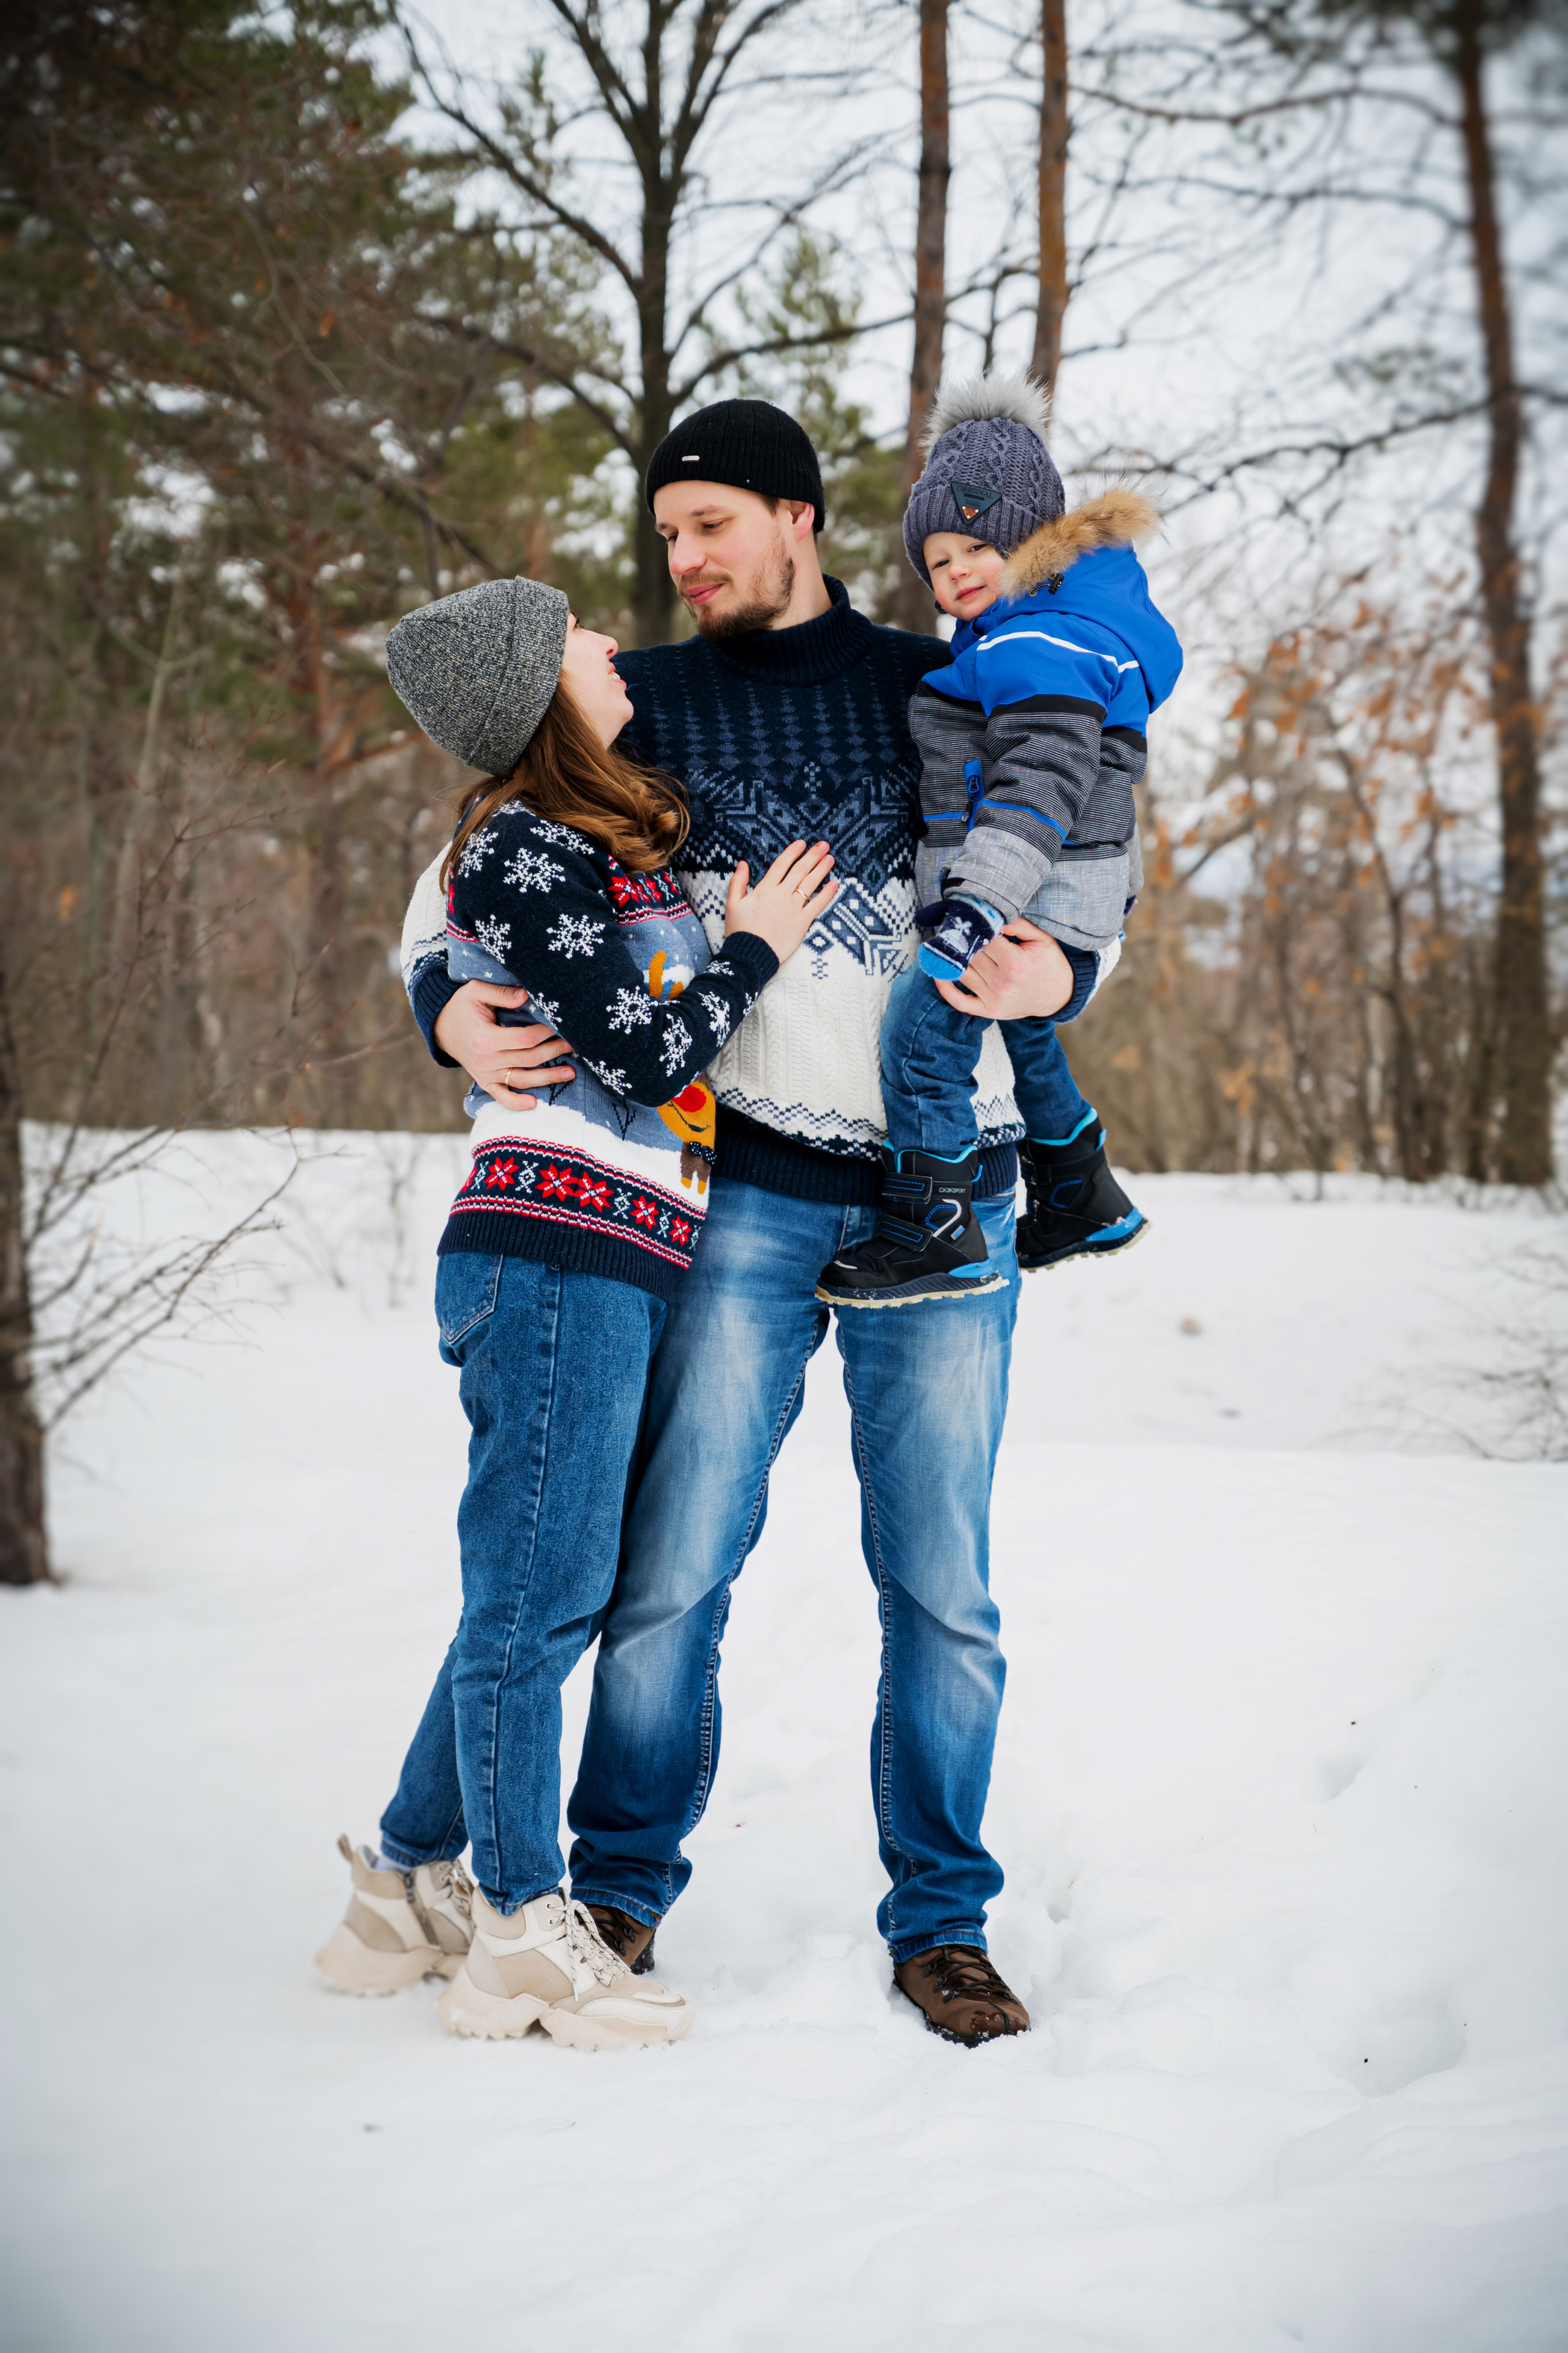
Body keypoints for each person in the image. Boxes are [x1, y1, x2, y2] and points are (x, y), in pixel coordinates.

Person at [407, 399, 1083, 2048]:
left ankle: (944, 1921)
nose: (682, 561)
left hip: (950, 1184)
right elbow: (457, 887)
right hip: (749, 1186)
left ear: (798, 516)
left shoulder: (945, 683)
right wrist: (446, 1007)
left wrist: (1071, 970)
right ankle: (620, 1881)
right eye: (665, 538)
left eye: (709, 525)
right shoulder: (640, 705)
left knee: (943, 1588)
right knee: (672, 1561)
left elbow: (1076, 839)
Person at [315, 572, 835, 2048]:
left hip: (614, 1248)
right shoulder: (525, 849)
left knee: (546, 1587)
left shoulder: (592, 836)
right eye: (583, 639)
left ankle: (398, 1885)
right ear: (542, 686)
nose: (617, 643)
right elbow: (651, 1037)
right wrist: (751, 945)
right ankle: (521, 1932)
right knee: (535, 1599)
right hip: (549, 1245)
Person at [818, 375, 1183, 1308]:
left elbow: (1035, 790)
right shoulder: (1033, 633)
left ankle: (934, 1230)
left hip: (1027, 883)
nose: (957, 573)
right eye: (939, 560)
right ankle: (1075, 1186)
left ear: (1038, 537)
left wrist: (976, 903)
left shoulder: (1043, 647)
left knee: (922, 1039)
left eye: (980, 544)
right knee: (1022, 1031)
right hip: (1054, 887)